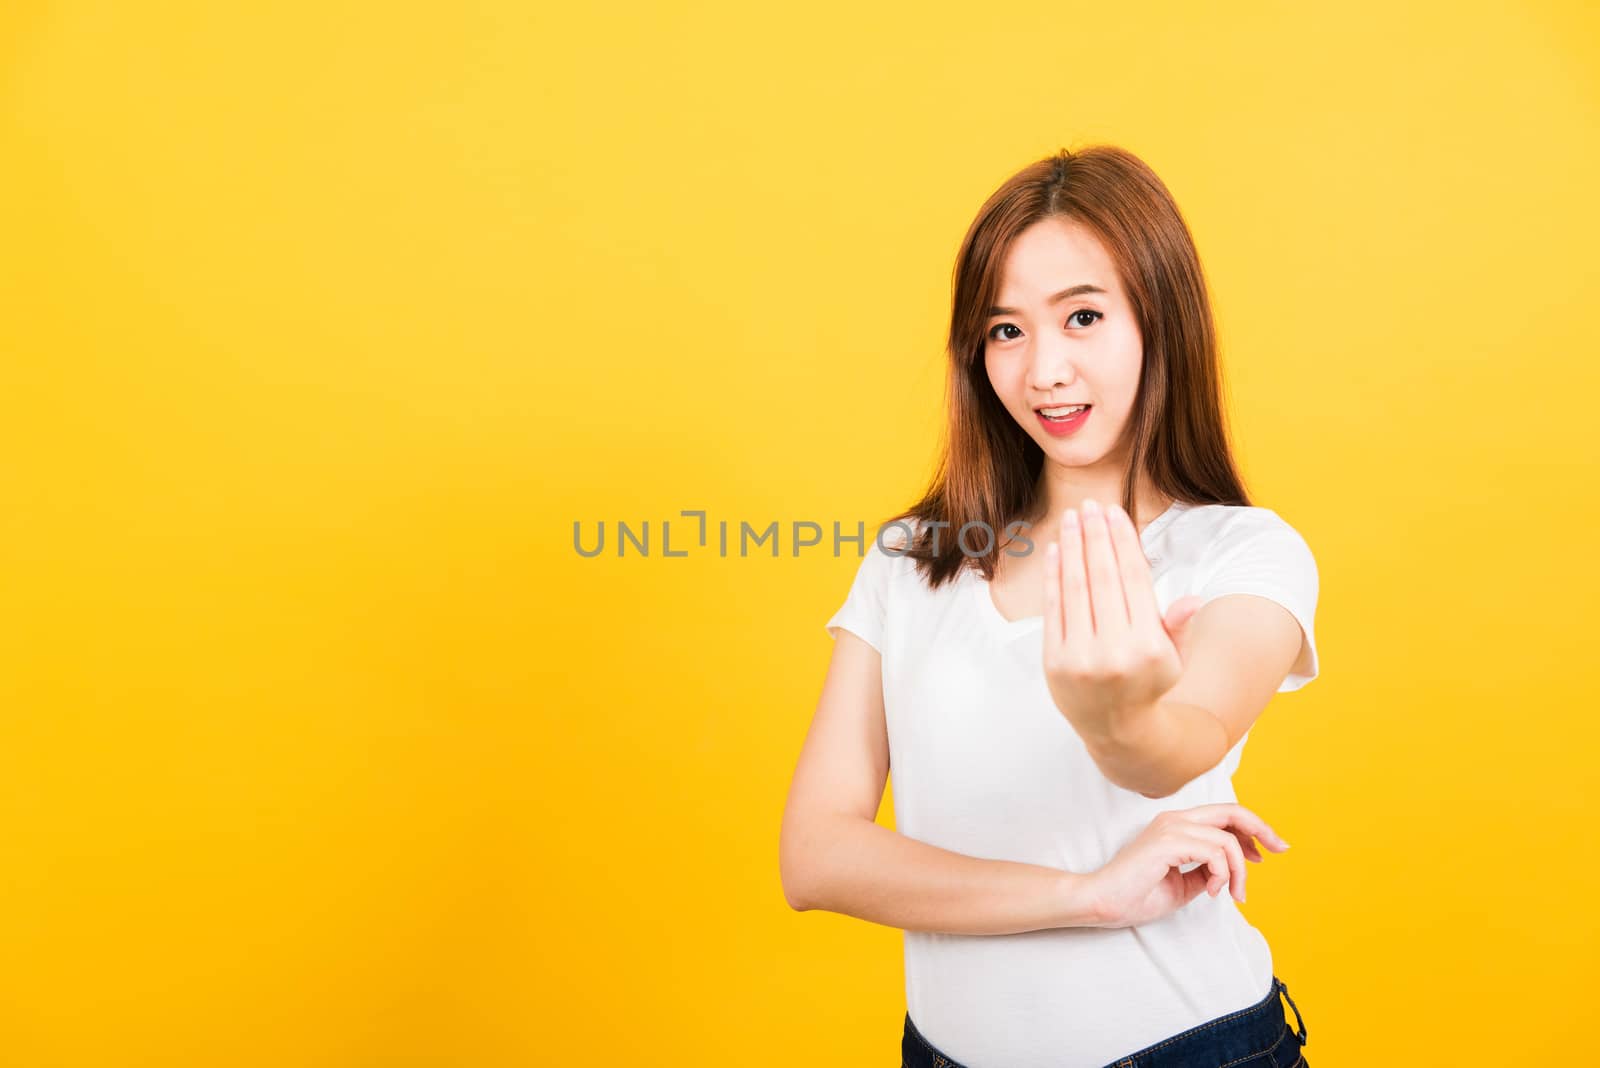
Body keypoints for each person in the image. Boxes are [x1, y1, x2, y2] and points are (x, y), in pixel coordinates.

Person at [778, 145, 1317, 1068]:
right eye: (1006, 331)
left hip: (1187, 1051)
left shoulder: (1241, 553)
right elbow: (816, 856)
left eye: (1083, 317)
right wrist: (1091, 894)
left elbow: (1178, 746)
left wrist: (1121, 720)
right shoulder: (912, 562)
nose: (1043, 372)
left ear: (1160, 322)